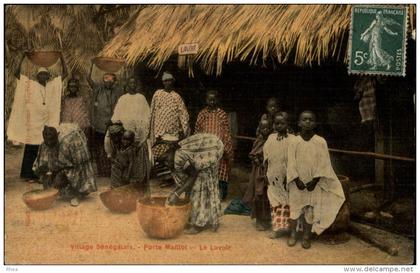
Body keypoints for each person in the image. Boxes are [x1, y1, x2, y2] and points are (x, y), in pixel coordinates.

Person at [287, 111, 345, 249]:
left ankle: (307, 236)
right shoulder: (294, 141)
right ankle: (293, 234)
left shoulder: (320, 142)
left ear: (315, 123)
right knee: (295, 209)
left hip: (313, 183)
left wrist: (315, 181)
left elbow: (324, 163)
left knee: (310, 209)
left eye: (311, 120)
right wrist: (296, 180)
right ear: (299, 123)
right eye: (304, 119)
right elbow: (291, 162)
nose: (307, 122)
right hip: (297, 183)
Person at [7, 52, 68, 182]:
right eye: (40, 74)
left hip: (47, 122)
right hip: (34, 123)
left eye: (45, 74)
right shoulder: (31, 85)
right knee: (31, 147)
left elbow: (66, 74)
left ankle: (44, 174)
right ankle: (28, 175)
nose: (43, 76)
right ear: (37, 76)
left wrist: (62, 58)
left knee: (46, 147)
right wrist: (22, 57)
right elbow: (17, 74)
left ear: (48, 76)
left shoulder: (53, 86)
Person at [164, 133, 224, 234]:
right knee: (192, 189)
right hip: (209, 148)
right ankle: (196, 219)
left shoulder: (178, 158)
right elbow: (185, 178)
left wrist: (177, 194)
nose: (167, 165)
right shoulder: (173, 156)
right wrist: (175, 192)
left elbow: (193, 175)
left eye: (167, 164)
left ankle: (199, 224)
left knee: (200, 189)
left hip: (213, 149)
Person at [32, 123, 97, 206]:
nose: (49, 145)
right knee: (52, 179)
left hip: (76, 154)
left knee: (70, 175)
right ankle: (59, 187)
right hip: (63, 159)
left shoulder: (68, 143)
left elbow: (77, 165)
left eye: (52, 144)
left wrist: (60, 175)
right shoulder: (44, 144)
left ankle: (77, 195)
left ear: (56, 138)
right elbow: (41, 165)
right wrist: (47, 176)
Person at [194, 90, 233, 200]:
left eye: (214, 99)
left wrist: (226, 147)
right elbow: (197, 130)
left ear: (218, 100)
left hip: (219, 148)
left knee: (221, 170)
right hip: (206, 148)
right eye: (209, 99)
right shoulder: (202, 114)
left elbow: (226, 132)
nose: (211, 102)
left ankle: (221, 194)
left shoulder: (222, 114)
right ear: (206, 100)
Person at [264, 112, 296, 239]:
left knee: (288, 202)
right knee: (274, 202)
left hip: (287, 176)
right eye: (277, 123)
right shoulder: (271, 138)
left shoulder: (292, 139)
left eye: (282, 123)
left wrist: (289, 176)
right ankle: (277, 228)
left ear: (287, 124)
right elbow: (266, 157)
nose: (279, 126)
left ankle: (289, 229)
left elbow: (294, 159)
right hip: (273, 175)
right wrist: (266, 173)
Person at [87, 61, 122, 177]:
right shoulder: (98, 89)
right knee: (99, 149)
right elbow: (88, 78)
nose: (108, 82)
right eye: (106, 80)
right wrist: (92, 64)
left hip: (111, 125)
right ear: (103, 81)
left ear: (113, 82)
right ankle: (101, 171)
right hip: (98, 125)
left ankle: (109, 171)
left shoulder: (117, 91)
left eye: (111, 80)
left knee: (110, 148)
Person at [149, 72, 190, 160]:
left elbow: (183, 114)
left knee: (170, 156)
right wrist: (150, 129)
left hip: (172, 132)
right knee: (157, 156)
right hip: (159, 132)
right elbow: (152, 111)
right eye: (165, 81)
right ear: (163, 82)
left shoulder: (176, 96)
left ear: (172, 82)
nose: (167, 83)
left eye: (169, 81)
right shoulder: (157, 94)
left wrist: (184, 130)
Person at [242, 118, 273, 231]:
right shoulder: (259, 140)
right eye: (263, 128)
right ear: (259, 129)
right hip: (259, 171)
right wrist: (256, 159)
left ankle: (266, 219)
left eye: (267, 128)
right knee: (258, 195)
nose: (265, 130)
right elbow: (252, 154)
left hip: (269, 171)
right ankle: (259, 220)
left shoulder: (272, 140)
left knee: (267, 195)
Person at [105, 122, 150, 190]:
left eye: (127, 140)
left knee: (123, 186)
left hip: (125, 170)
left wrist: (128, 174)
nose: (125, 142)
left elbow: (131, 163)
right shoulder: (120, 146)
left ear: (131, 141)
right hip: (118, 169)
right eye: (124, 139)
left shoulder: (130, 150)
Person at [111, 77, 150, 144]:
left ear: (136, 85)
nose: (132, 85)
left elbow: (147, 114)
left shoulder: (141, 98)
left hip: (138, 130)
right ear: (128, 85)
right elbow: (116, 115)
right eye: (131, 83)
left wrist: (142, 126)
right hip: (126, 130)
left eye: (134, 83)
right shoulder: (123, 98)